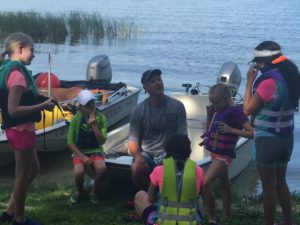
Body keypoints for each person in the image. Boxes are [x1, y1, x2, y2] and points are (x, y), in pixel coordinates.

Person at [0, 33, 55, 225]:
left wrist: (39, 98)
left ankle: (9, 211)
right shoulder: (16, 75)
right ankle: (19, 219)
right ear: (20, 49)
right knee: (22, 175)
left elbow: (22, 97)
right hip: (20, 129)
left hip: (24, 129)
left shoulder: (11, 70)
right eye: (32, 50)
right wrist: (42, 106)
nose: (34, 54)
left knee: (34, 170)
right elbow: (13, 110)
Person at [243, 41, 300, 225]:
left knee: (268, 187)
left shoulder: (268, 82)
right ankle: (287, 222)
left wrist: (249, 81)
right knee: (281, 182)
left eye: (257, 63)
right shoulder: (290, 76)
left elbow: (247, 110)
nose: (256, 67)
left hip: (268, 140)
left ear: (265, 62)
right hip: (286, 138)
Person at [200, 83, 253, 225]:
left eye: (216, 102)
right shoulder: (218, 110)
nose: (214, 105)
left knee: (205, 184)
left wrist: (231, 130)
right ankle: (226, 216)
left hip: (224, 156)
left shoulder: (235, 112)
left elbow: (251, 133)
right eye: (212, 102)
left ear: (226, 98)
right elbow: (210, 129)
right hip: (215, 153)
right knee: (224, 184)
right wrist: (209, 115)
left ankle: (212, 218)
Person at [128, 69, 187, 191]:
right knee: (137, 167)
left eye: (159, 79)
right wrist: (138, 157)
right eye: (152, 81)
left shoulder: (177, 106)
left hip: (169, 152)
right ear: (146, 87)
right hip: (147, 153)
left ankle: (164, 196)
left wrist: (174, 156)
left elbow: (183, 136)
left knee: (176, 166)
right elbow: (133, 139)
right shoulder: (138, 110)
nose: (158, 83)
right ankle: (146, 196)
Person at [134, 133, 205, 225]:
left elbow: (151, 199)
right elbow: (207, 198)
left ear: (167, 150)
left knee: (140, 195)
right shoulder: (198, 171)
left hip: (165, 222)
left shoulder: (159, 170)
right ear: (189, 150)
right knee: (197, 197)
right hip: (191, 222)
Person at [67, 89, 107, 204]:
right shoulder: (75, 119)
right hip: (80, 152)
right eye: (88, 104)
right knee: (79, 172)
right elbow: (70, 142)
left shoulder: (101, 117)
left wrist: (94, 126)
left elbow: (103, 141)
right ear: (81, 107)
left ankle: (94, 192)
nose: (91, 106)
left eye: (92, 103)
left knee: (102, 169)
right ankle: (79, 191)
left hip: (96, 150)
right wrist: (83, 157)